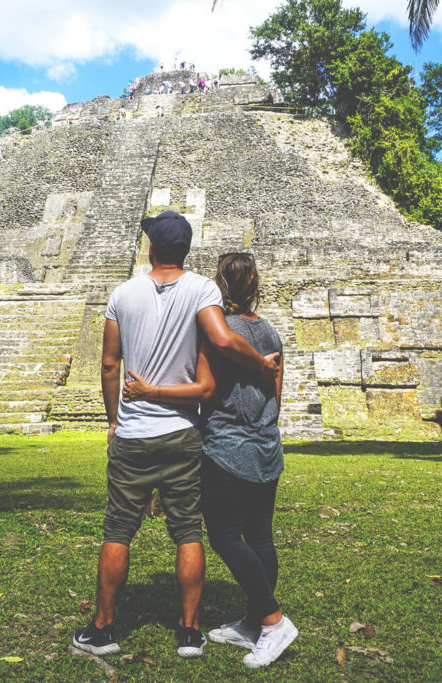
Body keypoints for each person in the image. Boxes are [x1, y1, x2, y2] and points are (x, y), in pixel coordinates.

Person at [72, 213, 280, 660]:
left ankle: (103, 627)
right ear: (185, 251)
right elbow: (222, 340)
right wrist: (262, 364)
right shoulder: (202, 288)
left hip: (132, 431)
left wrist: (113, 418)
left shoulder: (122, 294)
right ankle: (189, 632)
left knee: (119, 530)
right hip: (183, 431)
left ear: (151, 249)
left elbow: (110, 363)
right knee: (188, 532)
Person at [124, 252, 298, 669]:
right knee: (260, 535)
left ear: (220, 284)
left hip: (226, 445)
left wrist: (152, 393)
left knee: (222, 536)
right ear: (255, 284)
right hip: (266, 442)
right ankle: (253, 621)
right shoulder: (270, 333)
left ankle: (273, 621)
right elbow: (276, 389)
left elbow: (204, 390)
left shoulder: (217, 331)